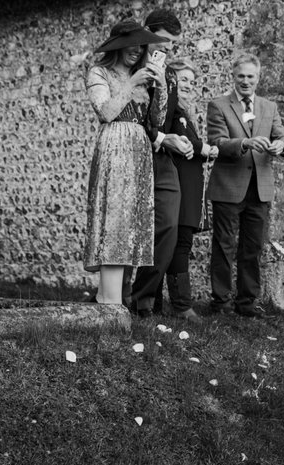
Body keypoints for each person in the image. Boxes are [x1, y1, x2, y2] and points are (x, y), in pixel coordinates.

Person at [83, 20, 168, 304]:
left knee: (132, 221)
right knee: (114, 219)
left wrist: (161, 86)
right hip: (114, 147)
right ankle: (109, 300)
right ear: (118, 45)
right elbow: (106, 111)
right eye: (132, 44)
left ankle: (109, 297)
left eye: (141, 45)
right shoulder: (100, 72)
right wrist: (131, 84)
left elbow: (155, 122)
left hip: (139, 151)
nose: (137, 50)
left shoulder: (142, 77)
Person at [206, 53, 284, 318]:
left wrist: (281, 146)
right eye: (241, 76)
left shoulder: (269, 107)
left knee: (252, 248)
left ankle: (247, 303)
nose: (245, 81)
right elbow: (217, 142)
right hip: (228, 187)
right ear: (233, 76)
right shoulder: (218, 105)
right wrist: (244, 143)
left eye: (250, 76)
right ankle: (221, 302)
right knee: (224, 245)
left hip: (260, 188)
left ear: (258, 78)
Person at [129, 8, 193, 317]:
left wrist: (180, 137)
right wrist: (160, 138)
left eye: (172, 43)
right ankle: (141, 302)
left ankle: (142, 295)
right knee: (136, 227)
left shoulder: (169, 74)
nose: (167, 48)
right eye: (163, 40)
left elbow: (175, 114)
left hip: (164, 158)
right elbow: (131, 117)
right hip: (135, 153)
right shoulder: (129, 66)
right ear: (146, 31)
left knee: (168, 224)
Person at [155, 59, 218, 323]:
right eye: (184, 80)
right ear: (172, 82)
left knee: (181, 243)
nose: (189, 85)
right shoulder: (169, 109)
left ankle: (161, 303)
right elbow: (165, 135)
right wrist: (202, 146)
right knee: (178, 244)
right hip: (176, 183)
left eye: (192, 81)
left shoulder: (184, 113)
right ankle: (181, 305)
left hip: (189, 185)